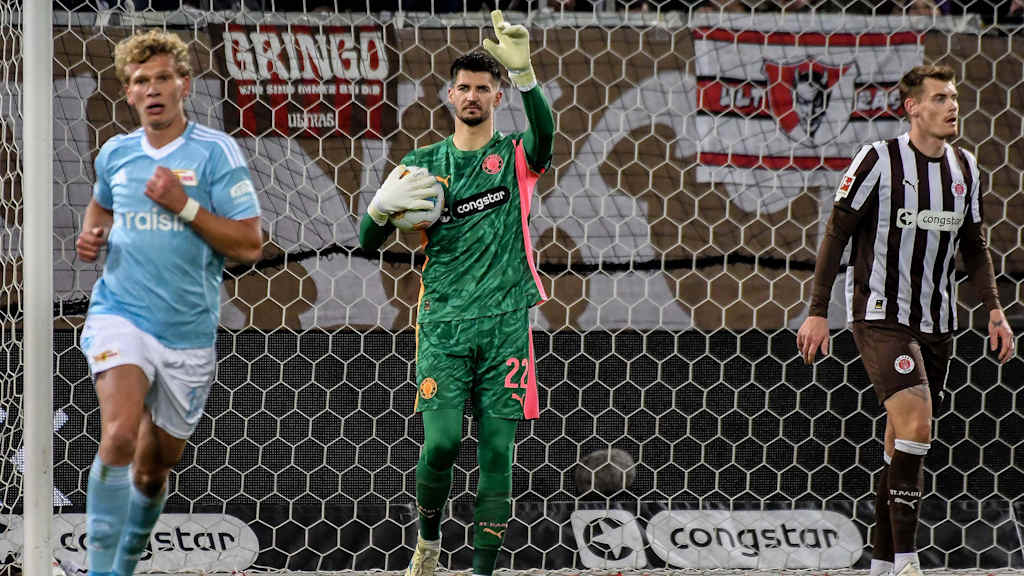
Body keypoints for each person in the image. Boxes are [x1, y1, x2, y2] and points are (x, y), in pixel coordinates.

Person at [796, 64, 1015, 576]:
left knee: (903, 441)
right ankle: (908, 563)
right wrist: (817, 311)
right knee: (918, 424)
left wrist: (994, 310)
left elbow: (976, 250)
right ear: (912, 107)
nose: (952, 106)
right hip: (880, 314)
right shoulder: (877, 159)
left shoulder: (965, 168)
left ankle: (881, 563)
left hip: (938, 321)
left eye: (955, 97)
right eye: (940, 98)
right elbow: (836, 234)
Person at [358, 10, 554, 576]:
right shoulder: (422, 165)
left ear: (496, 98)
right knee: (441, 444)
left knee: (497, 454)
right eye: (464, 87)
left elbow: (546, 135)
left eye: (484, 89)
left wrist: (528, 78)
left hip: (505, 321)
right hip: (443, 320)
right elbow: (370, 238)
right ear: (448, 95)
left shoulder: (515, 155)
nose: (472, 95)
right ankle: (428, 541)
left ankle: (482, 571)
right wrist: (377, 208)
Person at [73, 30, 262, 576]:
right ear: (128, 94)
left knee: (154, 471)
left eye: (161, 78)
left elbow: (249, 244)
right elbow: (100, 209)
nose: (152, 89)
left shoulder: (214, 152)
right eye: (139, 81)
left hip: (187, 332)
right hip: (120, 313)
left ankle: (127, 559)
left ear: (183, 84)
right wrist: (92, 237)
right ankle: (103, 570)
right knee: (119, 433)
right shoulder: (117, 153)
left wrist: (183, 206)